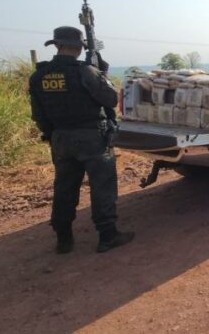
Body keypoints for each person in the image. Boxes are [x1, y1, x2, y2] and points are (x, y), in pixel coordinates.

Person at [29, 26, 135, 254]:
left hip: (60, 139)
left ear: (56, 45)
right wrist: (101, 73)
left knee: (64, 188)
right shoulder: (85, 71)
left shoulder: (39, 75)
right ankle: (107, 236)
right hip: (91, 137)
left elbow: (38, 114)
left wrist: (53, 134)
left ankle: (64, 240)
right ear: (79, 49)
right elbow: (109, 99)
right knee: (102, 186)